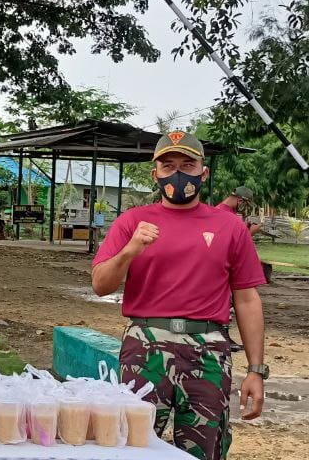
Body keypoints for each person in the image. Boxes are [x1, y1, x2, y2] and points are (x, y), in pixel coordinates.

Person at [91, 130, 268, 460]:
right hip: (144, 347)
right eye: (168, 165)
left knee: (205, 449)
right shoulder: (133, 222)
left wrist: (256, 369)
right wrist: (129, 251)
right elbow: (100, 284)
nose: (178, 173)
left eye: (188, 164)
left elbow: (247, 299)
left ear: (204, 171)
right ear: (154, 173)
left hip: (209, 351)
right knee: (132, 445)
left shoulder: (230, 227)